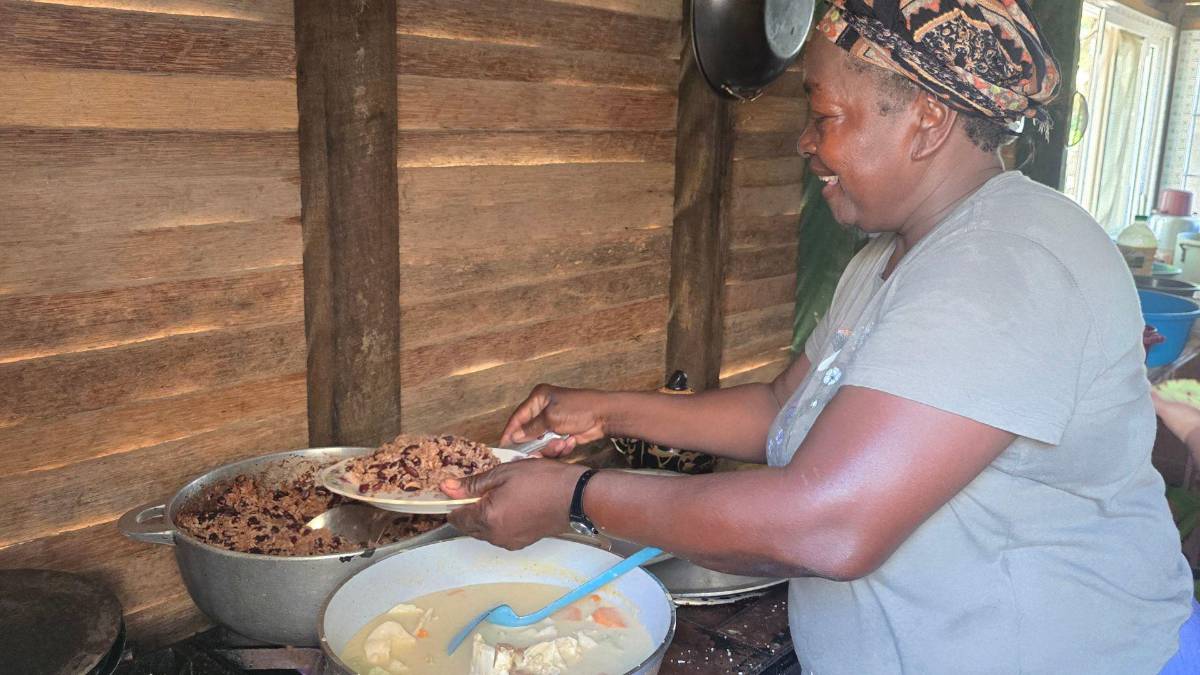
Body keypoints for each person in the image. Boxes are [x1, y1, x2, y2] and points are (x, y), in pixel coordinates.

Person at [442, 1, 1195, 672]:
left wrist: (575, 495)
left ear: (926, 120)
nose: (805, 142)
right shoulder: (890, 258)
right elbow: (782, 407)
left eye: (825, 115)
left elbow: (829, 522)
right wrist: (606, 409)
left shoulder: (1005, 263)